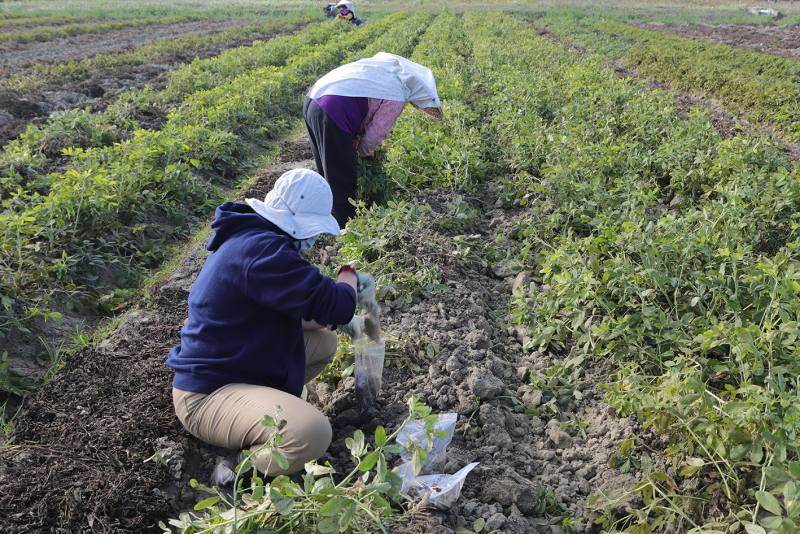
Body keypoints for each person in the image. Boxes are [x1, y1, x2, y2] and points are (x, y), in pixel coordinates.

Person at [166, 168, 372, 477]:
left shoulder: (255, 239)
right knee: (313, 433)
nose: (314, 239)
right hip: (207, 395)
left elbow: (299, 311)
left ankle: (270, 411)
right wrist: (349, 277)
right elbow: (339, 305)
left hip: (239, 362)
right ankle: (240, 472)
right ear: (298, 222)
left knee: (324, 340)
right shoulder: (262, 253)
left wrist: (331, 318)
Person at [304, 52, 442, 225]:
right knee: (342, 177)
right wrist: (363, 151)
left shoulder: (379, 71)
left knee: (327, 169)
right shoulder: (396, 94)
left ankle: (321, 215)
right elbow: (376, 132)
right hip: (333, 111)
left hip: (313, 99)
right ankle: (343, 227)